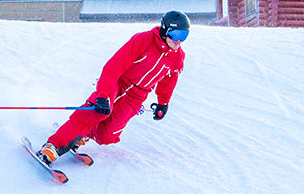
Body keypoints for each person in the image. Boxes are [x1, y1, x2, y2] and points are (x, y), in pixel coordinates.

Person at [37, 10, 190, 165]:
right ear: (164, 30)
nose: (178, 41)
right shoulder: (144, 40)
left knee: (107, 136)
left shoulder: (178, 58)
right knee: (97, 112)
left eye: (183, 36)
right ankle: (53, 146)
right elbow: (114, 66)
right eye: (175, 34)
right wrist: (103, 95)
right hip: (118, 82)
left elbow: (169, 81)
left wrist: (163, 103)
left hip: (136, 96)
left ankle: (84, 134)